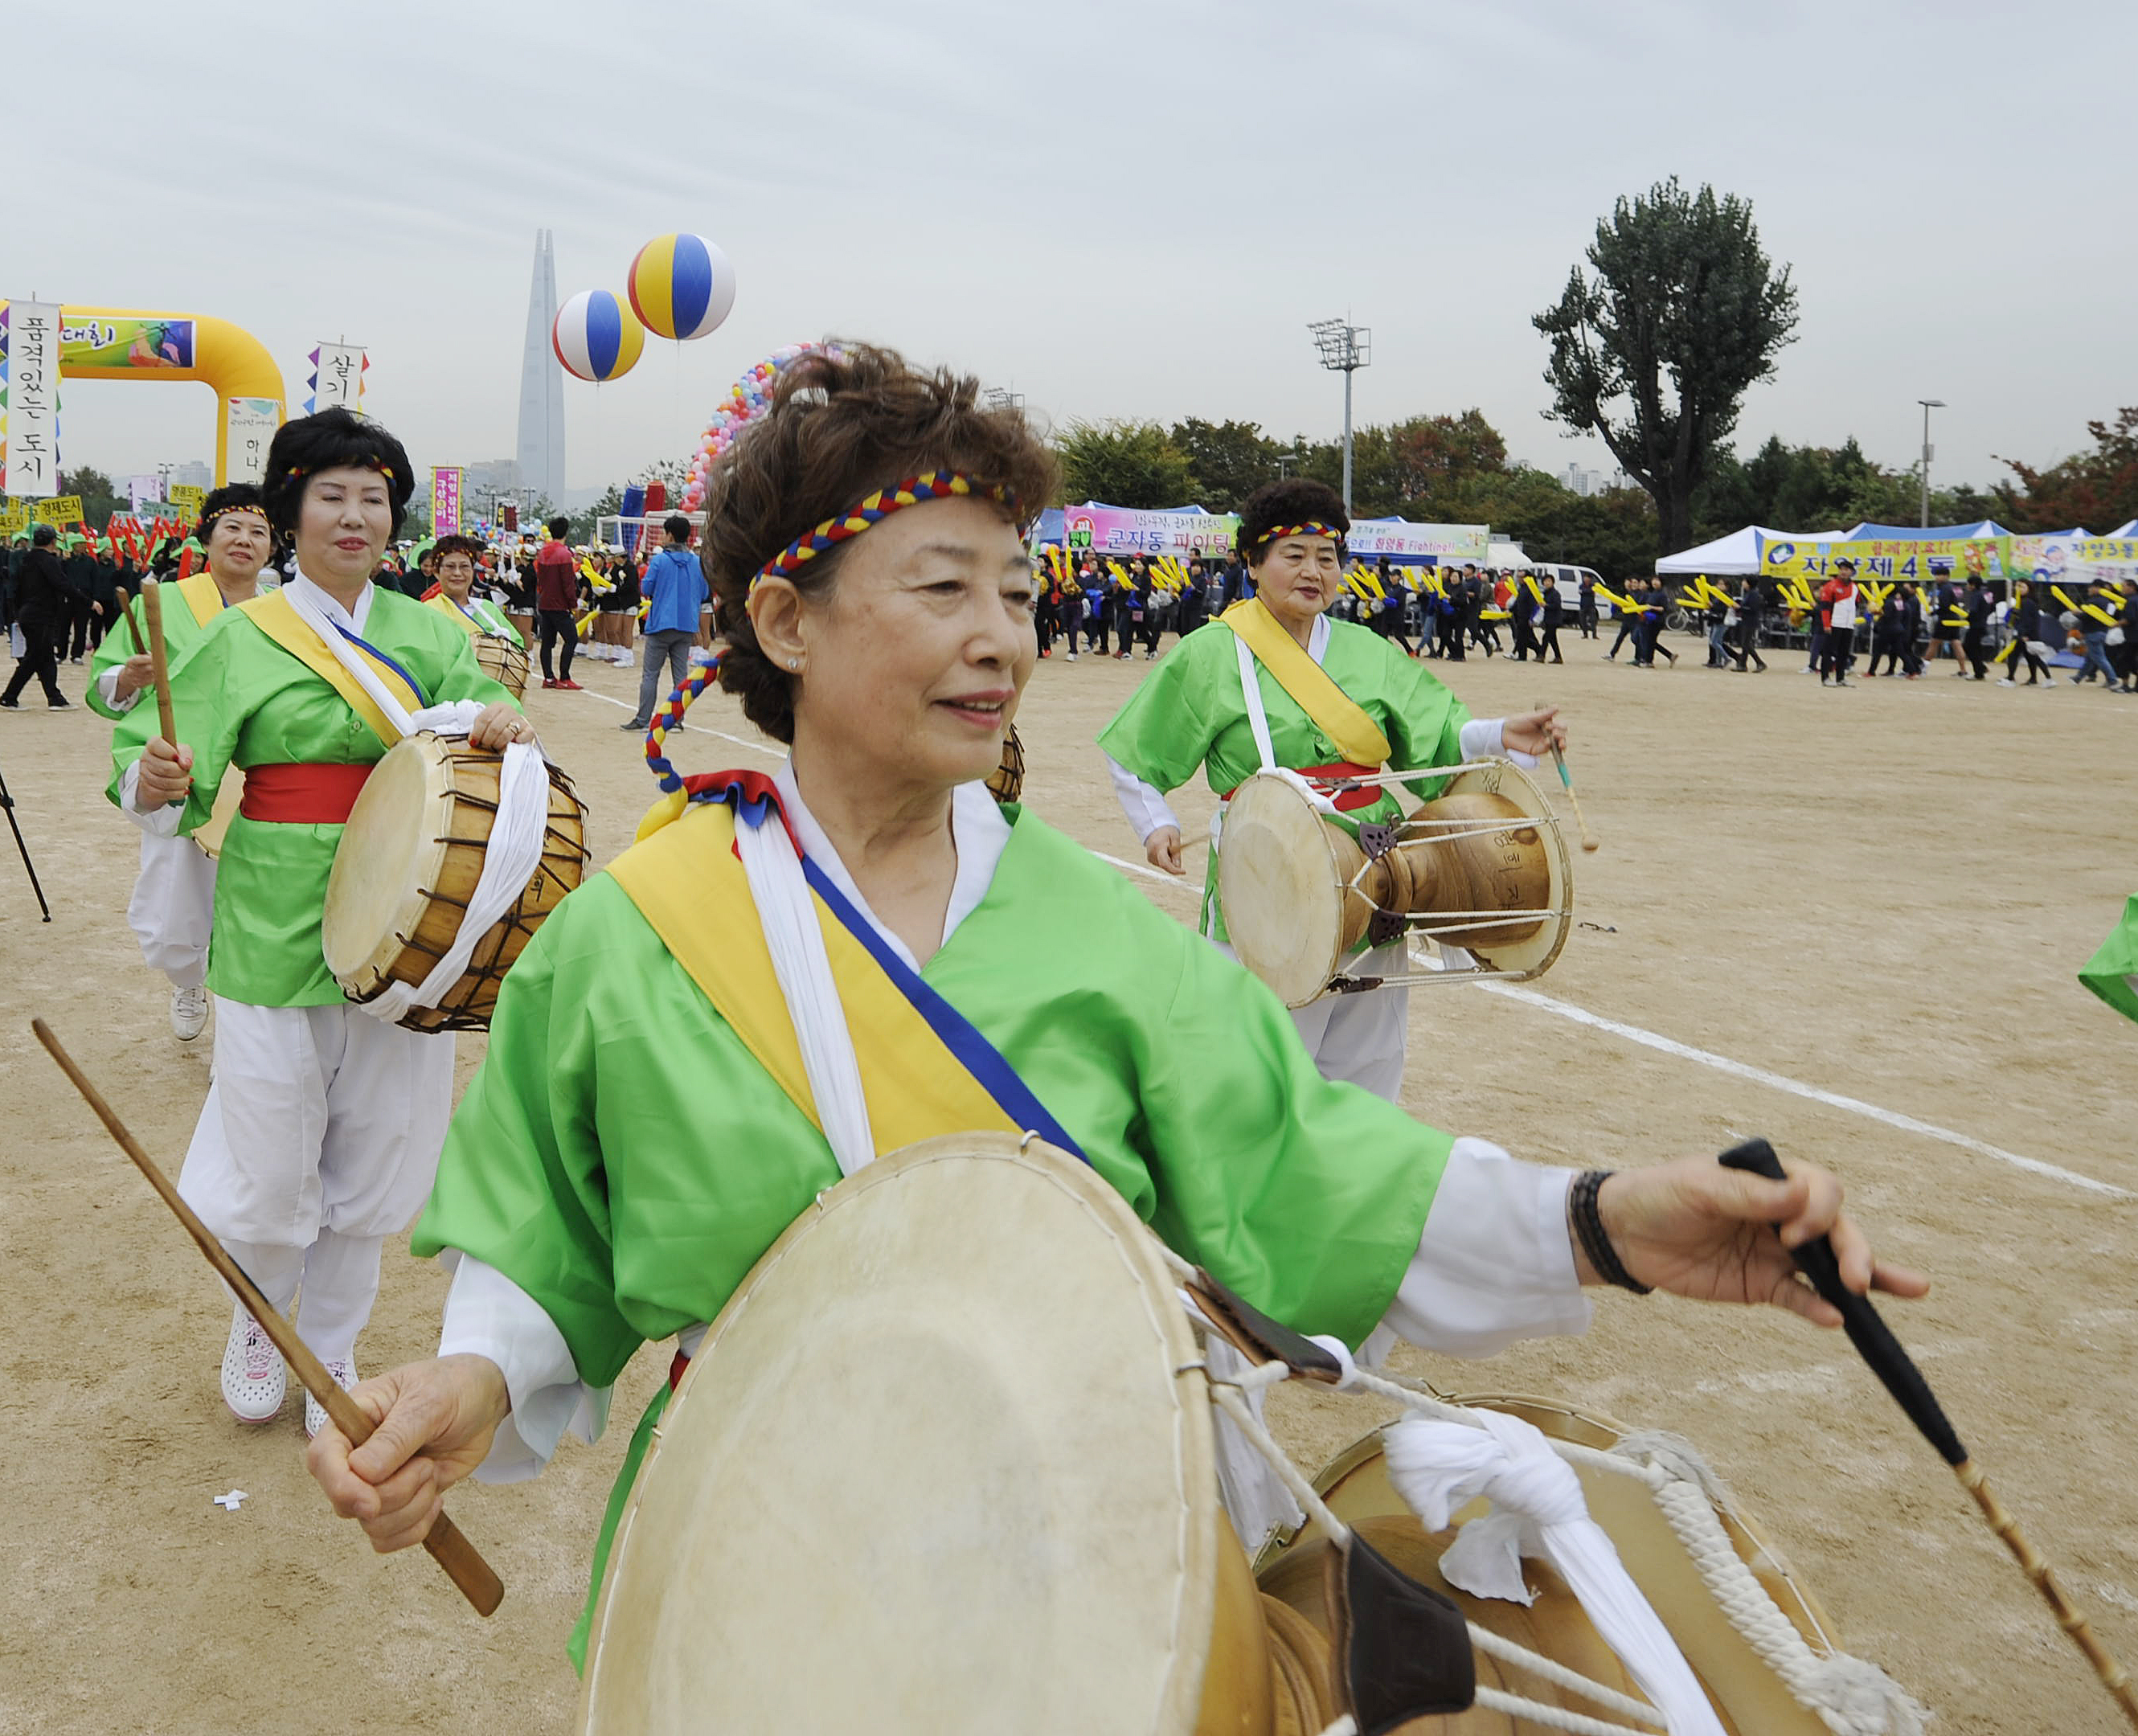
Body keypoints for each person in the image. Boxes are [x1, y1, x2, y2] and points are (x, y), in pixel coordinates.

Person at [302, 346, 1924, 1679]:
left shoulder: (1101, 937)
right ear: (784, 623)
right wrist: (476, 1383)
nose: (1002, 635)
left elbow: (1317, 1177)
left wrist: (1604, 1221)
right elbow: (547, 1246)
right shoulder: (625, 941)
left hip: (1094, 1552)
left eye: (1015, 589)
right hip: (759, 1547)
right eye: (942, 588)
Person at [124, 407, 532, 1434]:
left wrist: (496, 720)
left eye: (374, 498)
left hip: (410, 920)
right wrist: (156, 774)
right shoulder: (241, 635)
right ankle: (261, 1323)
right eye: (332, 495)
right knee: (269, 1153)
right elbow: (167, 779)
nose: (355, 516)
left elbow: (485, 713)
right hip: (273, 917)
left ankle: (338, 1340)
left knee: (379, 1149)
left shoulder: (432, 632)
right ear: (290, 510)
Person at [1096, 476, 1567, 1101]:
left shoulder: (1367, 651)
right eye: (1293, 555)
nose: (1313, 571)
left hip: (1377, 869)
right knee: (1261, 1067)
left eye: (1328, 557)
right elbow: (1136, 754)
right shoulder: (1211, 655)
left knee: (1367, 1062)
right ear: (1253, 564)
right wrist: (1155, 824)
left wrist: (1502, 734)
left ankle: (1355, 1182)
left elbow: (1437, 732)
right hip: (1268, 869)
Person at [91, 485, 277, 1039]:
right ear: (208, 538)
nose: (245, 541)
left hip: (257, 773)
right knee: (178, 902)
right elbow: (106, 693)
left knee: (258, 900)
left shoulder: (284, 612)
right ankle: (187, 979)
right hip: (185, 764)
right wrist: (127, 678)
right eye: (233, 529)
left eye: (258, 532)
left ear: (273, 548)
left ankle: (243, 1012)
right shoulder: (167, 603)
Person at [622, 515, 710, 731]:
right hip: (686, 624)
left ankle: (643, 720)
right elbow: (705, 592)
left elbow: (647, 588)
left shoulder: (660, 561)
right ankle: (678, 720)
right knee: (681, 675)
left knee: (651, 674)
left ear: (670, 535)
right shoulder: (698, 562)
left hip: (662, 623)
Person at [0, 523, 75, 709]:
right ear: (52, 541)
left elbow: (17, 588)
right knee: (34, 658)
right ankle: (9, 696)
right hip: (40, 616)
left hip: (29, 614)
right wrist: (89, 602)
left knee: (46, 657)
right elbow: (63, 585)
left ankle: (54, 698)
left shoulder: (27, 560)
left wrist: (17, 612)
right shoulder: (48, 561)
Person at [424, 535, 524, 647]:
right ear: (436, 572)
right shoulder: (428, 611)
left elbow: (518, 646)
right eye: (450, 566)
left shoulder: (488, 609)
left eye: (464, 566)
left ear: (472, 571)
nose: (457, 573)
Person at [533, 516, 580, 690]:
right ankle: (565, 676)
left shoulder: (543, 552)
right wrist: (572, 602)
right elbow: (567, 582)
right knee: (571, 639)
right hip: (559, 604)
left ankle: (549, 678)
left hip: (544, 602)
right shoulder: (564, 554)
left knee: (547, 642)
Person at [1997, 581, 2054, 687]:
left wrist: (2023, 634)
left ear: (2029, 588)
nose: (2019, 589)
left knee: (2014, 655)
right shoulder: (2024, 602)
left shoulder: (2027, 602)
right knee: (2031, 656)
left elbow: (2027, 620)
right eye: (2017, 586)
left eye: (2022, 587)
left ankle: (2010, 679)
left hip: (2026, 634)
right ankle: (2038, 679)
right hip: (2029, 633)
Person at [1817, 560, 1858, 686]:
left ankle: (1840, 678)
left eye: (1846, 570)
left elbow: (1855, 605)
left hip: (1848, 624)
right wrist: (1826, 624)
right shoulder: (1830, 586)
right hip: (1835, 623)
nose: (1843, 572)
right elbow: (1825, 607)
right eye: (1842, 569)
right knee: (1828, 652)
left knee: (1844, 652)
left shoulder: (1855, 588)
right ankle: (1825, 678)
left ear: (1851, 572)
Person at [1731, 575, 1768, 672]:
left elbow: (1753, 609)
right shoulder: (1749, 594)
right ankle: (1743, 665)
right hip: (1746, 620)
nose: (1743, 583)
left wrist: (1739, 608)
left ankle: (1759, 662)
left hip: (1751, 621)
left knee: (1746, 643)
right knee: (1745, 643)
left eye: (1744, 581)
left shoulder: (1754, 594)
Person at [1537, 575, 1565, 663]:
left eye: (1549, 581)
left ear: (1552, 582)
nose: (1547, 583)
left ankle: (1542, 656)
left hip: (1554, 619)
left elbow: (1557, 606)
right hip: (1548, 618)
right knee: (1552, 639)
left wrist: (1546, 606)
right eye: (1545, 581)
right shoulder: (1546, 593)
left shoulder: (1555, 593)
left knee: (1546, 637)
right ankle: (1558, 657)